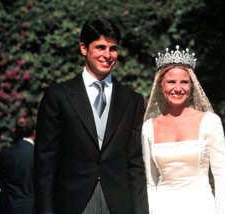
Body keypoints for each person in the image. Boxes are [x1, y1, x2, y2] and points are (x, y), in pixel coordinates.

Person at [34, 17, 149, 214]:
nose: (108, 55)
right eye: (101, 47)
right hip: (72, 202)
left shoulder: (132, 100)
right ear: (84, 49)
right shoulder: (58, 96)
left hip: (119, 204)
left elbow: (136, 163)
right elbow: (45, 161)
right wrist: (46, 210)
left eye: (113, 48)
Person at [141, 45, 225, 213]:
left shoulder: (210, 121)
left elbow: (220, 176)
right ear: (160, 86)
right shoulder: (148, 128)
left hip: (202, 206)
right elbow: (150, 182)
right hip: (163, 207)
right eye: (171, 82)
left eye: (184, 82)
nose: (178, 88)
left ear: (192, 86)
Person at [0, 116, 36, 214]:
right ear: (34, 132)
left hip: (7, 208)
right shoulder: (36, 154)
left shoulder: (4, 154)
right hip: (29, 208)